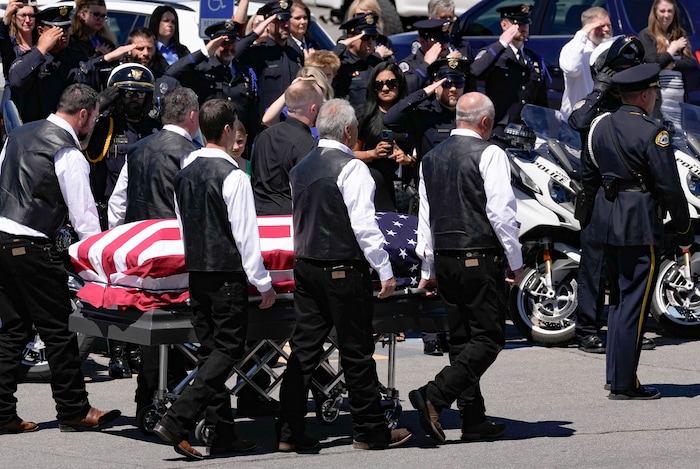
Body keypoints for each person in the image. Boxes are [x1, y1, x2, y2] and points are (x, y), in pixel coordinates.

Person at [277, 98, 412, 451]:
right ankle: (370, 430)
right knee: (356, 351)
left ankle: (288, 431)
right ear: (350, 132)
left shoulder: (301, 167)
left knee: (304, 350)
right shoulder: (351, 168)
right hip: (342, 267)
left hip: (306, 264)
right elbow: (365, 228)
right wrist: (385, 270)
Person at [153, 99, 276, 460]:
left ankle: (222, 432)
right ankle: (177, 419)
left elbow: (183, 223)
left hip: (198, 273)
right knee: (227, 351)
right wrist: (263, 282)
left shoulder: (185, 171)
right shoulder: (234, 175)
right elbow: (245, 234)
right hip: (226, 275)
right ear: (227, 131)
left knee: (210, 353)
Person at [0, 83, 121, 434]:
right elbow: (84, 219)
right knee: (60, 329)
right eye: (95, 118)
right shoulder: (67, 151)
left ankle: (2, 411)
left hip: (2, 239)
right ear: (83, 114)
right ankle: (74, 408)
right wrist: (100, 268)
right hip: (31, 245)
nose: (94, 125)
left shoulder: (19, 134)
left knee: (14, 330)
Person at [409, 92, 524, 443]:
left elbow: (425, 218)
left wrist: (427, 266)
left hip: (445, 257)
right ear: (486, 122)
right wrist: (516, 261)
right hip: (479, 255)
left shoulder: (430, 157)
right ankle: (435, 394)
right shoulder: (490, 153)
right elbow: (502, 214)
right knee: (489, 338)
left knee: (461, 342)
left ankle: (473, 418)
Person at [584, 63, 692, 399]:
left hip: (606, 219)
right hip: (638, 222)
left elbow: (588, 175)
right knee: (635, 303)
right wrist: (683, 227)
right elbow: (670, 186)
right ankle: (624, 383)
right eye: (655, 93)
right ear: (645, 95)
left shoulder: (600, 125)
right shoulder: (652, 132)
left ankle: (615, 374)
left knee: (617, 300)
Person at [107, 88, 200, 413]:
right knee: (174, 329)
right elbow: (188, 209)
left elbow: (118, 202)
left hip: (140, 249)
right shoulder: (191, 153)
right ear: (192, 115)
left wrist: (121, 241)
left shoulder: (137, 149)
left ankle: (147, 399)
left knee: (151, 327)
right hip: (175, 254)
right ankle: (164, 397)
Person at [569, 35, 656, 354]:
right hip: (596, 195)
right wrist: (600, 89)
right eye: (620, 71)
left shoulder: (633, 102)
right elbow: (577, 120)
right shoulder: (598, 101)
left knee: (624, 267)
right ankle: (587, 331)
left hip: (629, 196)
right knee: (593, 266)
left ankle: (626, 330)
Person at [166, 20, 259, 152]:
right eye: (224, 43)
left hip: (238, 146)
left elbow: (252, 113)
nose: (229, 47)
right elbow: (171, 73)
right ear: (213, 43)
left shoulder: (244, 71)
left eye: (232, 42)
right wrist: (205, 51)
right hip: (207, 142)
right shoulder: (201, 68)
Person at [471, 4, 549, 139]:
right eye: (517, 23)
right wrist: (501, 44)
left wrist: (544, 128)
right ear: (504, 25)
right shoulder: (494, 54)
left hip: (527, 129)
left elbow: (541, 98)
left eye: (525, 23)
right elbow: (475, 72)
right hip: (501, 128)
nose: (523, 27)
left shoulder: (533, 59)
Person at [251, 79, 323, 215]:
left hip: (257, 217)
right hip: (288, 220)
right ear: (313, 109)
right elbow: (309, 191)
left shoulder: (264, 136)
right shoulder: (308, 144)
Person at [354, 61, 415, 212]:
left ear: (400, 84)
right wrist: (372, 153)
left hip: (407, 186)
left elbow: (422, 153)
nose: (385, 88)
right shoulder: (363, 115)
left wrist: (408, 159)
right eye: (379, 85)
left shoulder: (413, 114)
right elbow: (349, 154)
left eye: (391, 83)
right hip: (374, 185)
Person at [236, 0, 304, 116]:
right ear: (268, 24)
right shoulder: (259, 52)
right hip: (266, 123)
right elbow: (236, 52)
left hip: (292, 121)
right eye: (280, 21)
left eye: (287, 20)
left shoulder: (295, 52)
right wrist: (256, 33)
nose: (286, 25)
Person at [638, 0, 697, 128]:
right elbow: (653, 63)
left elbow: (689, 63)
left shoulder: (679, 34)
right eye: (662, 11)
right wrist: (672, 49)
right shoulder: (647, 35)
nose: (666, 15)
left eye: (670, 11)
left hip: (680, 100)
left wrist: (672, 65)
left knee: (682, 137)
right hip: (661, 100)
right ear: (655, 12)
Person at [558, 6, 612, 115]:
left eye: (608, 25)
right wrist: (582, 33)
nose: (606, 29)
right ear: (588, 28)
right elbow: (572, 68)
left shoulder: (610, 50)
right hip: (576, 118)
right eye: (600, 26)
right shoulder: (574, 49)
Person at [332, 12, 385, 113]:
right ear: (351, 37)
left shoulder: (377, 62)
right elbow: (323, 66)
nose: (370, 42)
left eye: (373, 37)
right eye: (365, 38)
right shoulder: (342, 64)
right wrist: (341, 46)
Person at [399, 19, 455, 94]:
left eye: (445, 41)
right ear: (423, 41)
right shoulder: (409, 64)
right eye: (438, 42)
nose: (444, 45)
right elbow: (406, 88)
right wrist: (426, 65)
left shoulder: (447, 62)